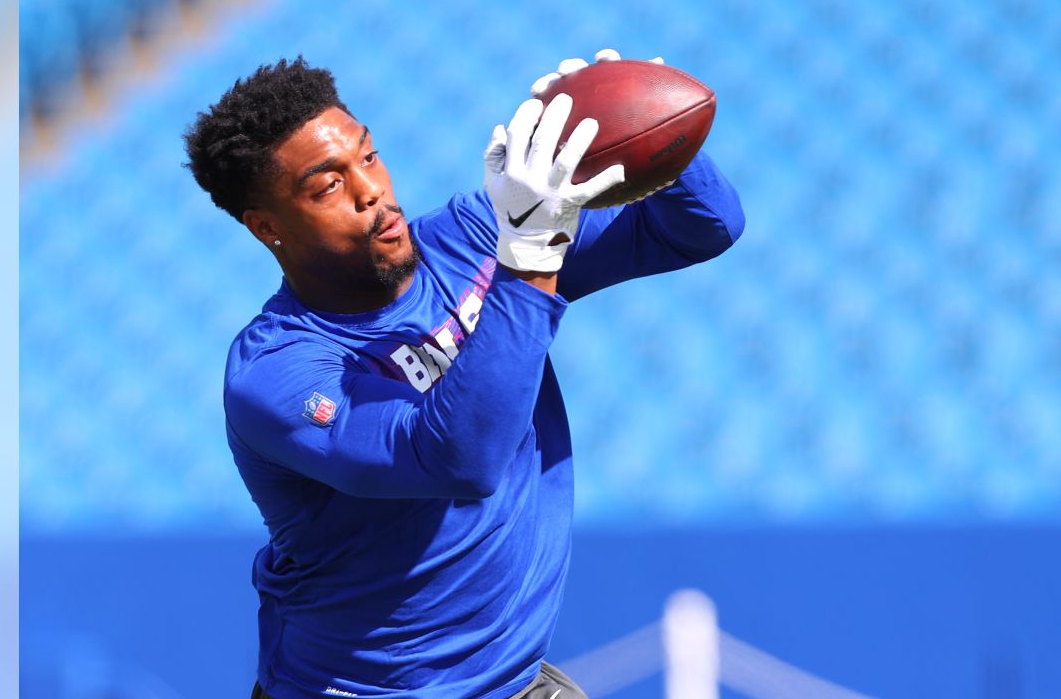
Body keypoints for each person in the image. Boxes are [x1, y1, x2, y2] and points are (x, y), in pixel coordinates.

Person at [183, 50, 745, 699]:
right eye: (328, 185)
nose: (371, 190)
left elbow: (703, 228)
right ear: (266, 227)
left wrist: (624, 127)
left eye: (368, 156)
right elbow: (461, 460)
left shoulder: (475, 239)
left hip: (511, 684)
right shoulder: (275, 373)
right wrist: (531, 261)